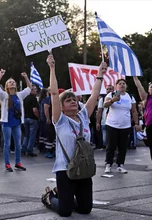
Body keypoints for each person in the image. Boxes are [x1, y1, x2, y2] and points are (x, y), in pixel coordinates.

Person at [44, 54, 106, 217]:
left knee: (85, 209)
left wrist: (100, 74)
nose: (72, 101)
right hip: (65, 170)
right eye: (68, 100)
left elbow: (94, 94)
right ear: (62, 107)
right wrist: (52, 68)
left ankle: (65, 197)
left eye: (74, 99)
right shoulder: (60, 120)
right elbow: (54, 95)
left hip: (83, 169)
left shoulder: (84, 115)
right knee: (65, 211)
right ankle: (50, 198)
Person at [0, 69, 31, 172]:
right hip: (6, 123)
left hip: (17, 123)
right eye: (10, 82)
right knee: (7, 144)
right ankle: (7, 164)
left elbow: (29, 88)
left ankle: (18, 163)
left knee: (18, 144)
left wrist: (26, 77)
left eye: (13, 81)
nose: (12, 82)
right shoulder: (4, 95)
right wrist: (0, 75)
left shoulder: (19, 95)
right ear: (7, 85)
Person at [103, 79, 141, 174]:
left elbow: (134, 111)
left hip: (125, 126)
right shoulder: (111, 95)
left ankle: (120, 165)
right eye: (120, 84)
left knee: (123, 147)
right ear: (116, 86)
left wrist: (136, 123)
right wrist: (112, 100)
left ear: (126, 86)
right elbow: (105, 105)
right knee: (111, 146)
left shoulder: (130, 97)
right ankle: (108, 164)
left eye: (124, 83)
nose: (122, 85)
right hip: (112, 124)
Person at [21, 84, 39, 157]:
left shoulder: (24, 98)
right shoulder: (33, 98)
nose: (36, 91)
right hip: (32, 118)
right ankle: (29, 150)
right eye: (35, 90)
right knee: (32, 135)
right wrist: (38, 117)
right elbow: (34, 110)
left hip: (25, 118)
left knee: (26, 135)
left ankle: (23, 149)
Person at [96, 85, 114, 149]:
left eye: (110, 89)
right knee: (105, 139)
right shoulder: (102, 99)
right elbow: (99, 111)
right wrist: (97, 122)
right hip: (104, 121)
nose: (109, 90)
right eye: (107, 89)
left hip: (114, 122)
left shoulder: (116, 97)